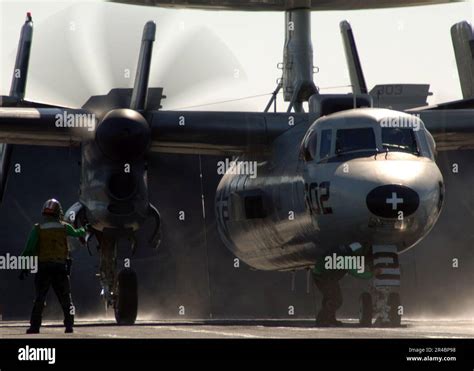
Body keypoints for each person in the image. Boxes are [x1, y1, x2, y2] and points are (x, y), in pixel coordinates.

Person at [20, 199, 87, 334]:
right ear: (58, 213)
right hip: (60, 268)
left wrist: (24, 266)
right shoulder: (64, 227)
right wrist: (86, 228)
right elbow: (78, 233)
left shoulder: (37, 229)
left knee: (39, 298)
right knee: (66, 298)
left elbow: (29, 249)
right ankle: (69, 325)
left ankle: (34, 326)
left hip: (44, 268)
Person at [312, 243, 373, 327]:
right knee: (336, 300)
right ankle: (322, 320)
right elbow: (357, 272)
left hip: (324, 274)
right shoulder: (348, 257)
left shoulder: (347, 249)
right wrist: (372, 274)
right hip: (324, 276)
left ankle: (329, 319)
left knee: (330, 297)